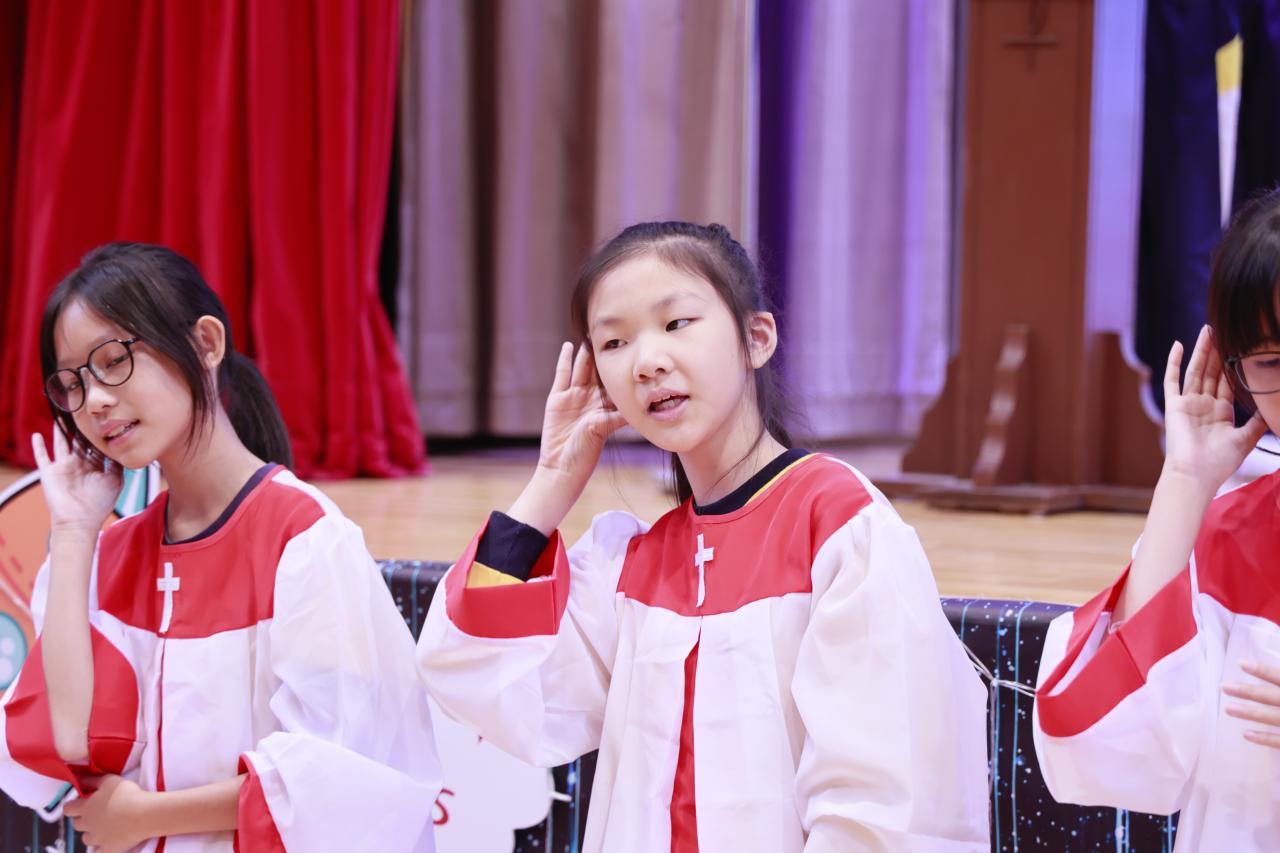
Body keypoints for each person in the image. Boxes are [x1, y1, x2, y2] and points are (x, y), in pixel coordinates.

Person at [418, 221, 990, 852]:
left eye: (676, 323)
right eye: (614, 342)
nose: (647, 362)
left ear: (756, 338)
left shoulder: (839, 525)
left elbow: (885, 805)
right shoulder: (627, 564)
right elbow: (479, 679)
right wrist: (551, 481)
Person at [0, 243, 441, 852]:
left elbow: (343, 779)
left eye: (112, 361)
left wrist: (147, 816)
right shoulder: (107, 554)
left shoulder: (304, 536)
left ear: (206, 344)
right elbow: (70, 742)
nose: (94, 401)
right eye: (72, 383)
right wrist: (74, 533)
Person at [1034, 190, 1280, 850]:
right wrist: (1185, 482)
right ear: (1235, 370)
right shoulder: (1226, 536)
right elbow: (1106, 743)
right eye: (1272, 362)